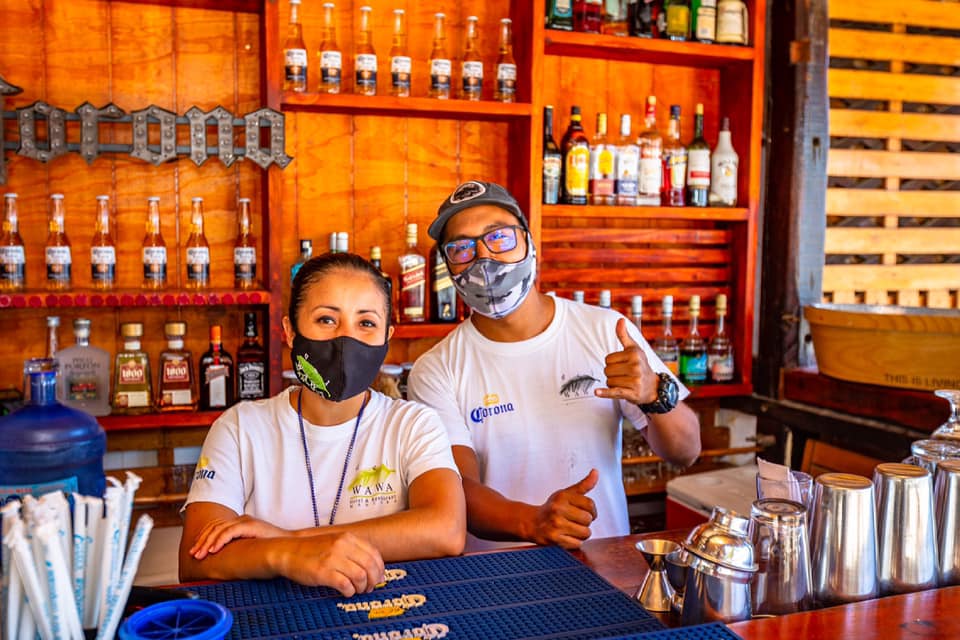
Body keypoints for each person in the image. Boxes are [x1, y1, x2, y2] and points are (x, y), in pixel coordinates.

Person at [408, 181, 701, 551]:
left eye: (498, 237)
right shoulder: (436, 369)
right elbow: (457, 490)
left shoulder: (606, 330)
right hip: (496, 577)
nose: (484, 257)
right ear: (448, 267)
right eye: (462, 248)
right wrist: (533, 522)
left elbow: (686, 451)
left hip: (603, 565)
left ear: (529, 243)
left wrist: (655, 393)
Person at [179, 252, 466, 595]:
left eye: (366, 323)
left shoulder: (413, 425)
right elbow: (196, 558)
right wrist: (288, 555)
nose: (346, 339)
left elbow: (447, 529)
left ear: (387, 337)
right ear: (290, 331)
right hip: (273, 616)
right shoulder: (240, 428)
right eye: (327, 320)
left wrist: (290, 540)